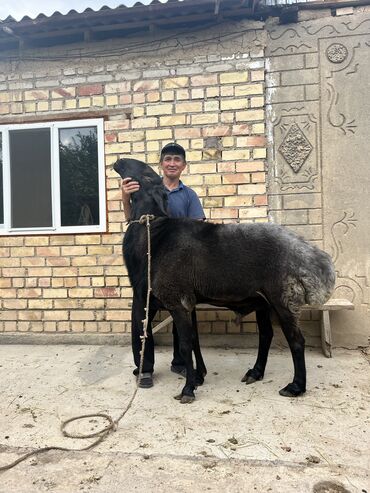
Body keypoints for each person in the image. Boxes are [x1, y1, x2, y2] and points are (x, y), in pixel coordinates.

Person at [121, 142, 205, 388]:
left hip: (178, 264)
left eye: (177, 160)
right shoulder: (144, 187)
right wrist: (125, 195)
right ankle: (144, 368)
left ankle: (181, 361)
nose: (172, 163)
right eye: (168, 159)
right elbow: (129, 218)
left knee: (184, 310)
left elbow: (199, 225)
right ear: (161, 163)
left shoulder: (188, 195)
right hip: (147, 264)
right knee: (141, 313)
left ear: (183, 166)